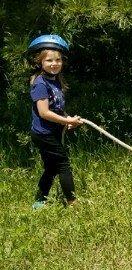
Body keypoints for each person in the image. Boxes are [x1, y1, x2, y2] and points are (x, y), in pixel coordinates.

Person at [27, 35, 83, 209]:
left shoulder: (55, 81)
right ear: (40, 62)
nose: (54, 63)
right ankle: (72, 203)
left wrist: (67, 121)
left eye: (58, 60)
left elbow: (56, 108)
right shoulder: (40, 83)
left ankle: (39, 200)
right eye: (49, 60)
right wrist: (66, 120)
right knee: (63, 164)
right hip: (44, 134)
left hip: (53, 132)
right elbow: (44, 113)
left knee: (51, 168)